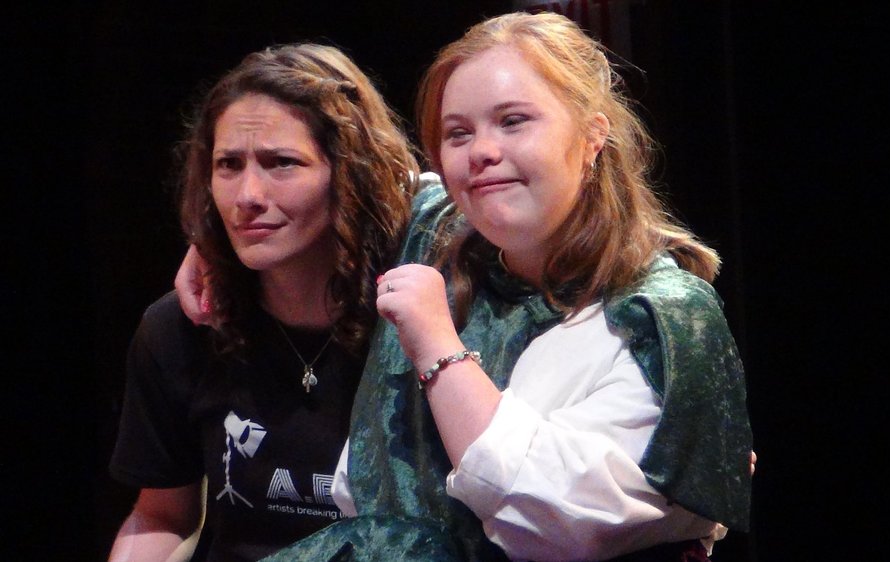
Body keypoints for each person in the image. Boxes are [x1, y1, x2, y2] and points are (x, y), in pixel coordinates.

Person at [180, 12, 752, 562]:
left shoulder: (662, 317)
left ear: (592, 135)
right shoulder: (441, 231)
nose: (481, 151)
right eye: (457, 132)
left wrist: (437, 344)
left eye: (513, 121)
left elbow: (556, 528)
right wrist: (216, 241)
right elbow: (353, 181)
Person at [107, 43, 418, 562]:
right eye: (229, 164)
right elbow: (161, 515)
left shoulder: (418, 317)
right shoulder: (181, 325)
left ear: (350, 173)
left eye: (281, 163)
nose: (247, 194)